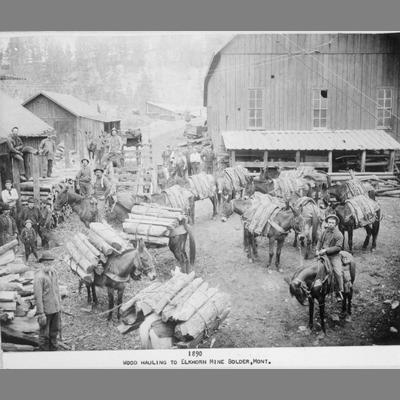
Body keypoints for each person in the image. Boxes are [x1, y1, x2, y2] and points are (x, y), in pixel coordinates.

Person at [315, 214, 344, 299]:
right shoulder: (324, 232)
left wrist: (326, 250)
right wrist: (317, 249)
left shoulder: (339, 234)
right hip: (323, 255)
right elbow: (320, 241)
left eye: (332, 223)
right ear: (327, 223)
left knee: (338, 272)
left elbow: (338, 247)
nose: (330, 224)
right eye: (329, 222)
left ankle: (339, 291)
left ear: (335, 224)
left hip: (333, 256)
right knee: (315, 268)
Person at [34, 262, 61, 351]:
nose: (48, 264)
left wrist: (59, 306)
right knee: (44, 335)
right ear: (42, 263)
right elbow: (38, 297)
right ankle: (44, 354)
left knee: (54, 333)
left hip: (55, 309)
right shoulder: (39, 276)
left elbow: (57, 291)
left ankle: (54, 352)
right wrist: (41, 313)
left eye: (50, 262)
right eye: (45, 262)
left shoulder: (54, 273)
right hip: (46, 311)